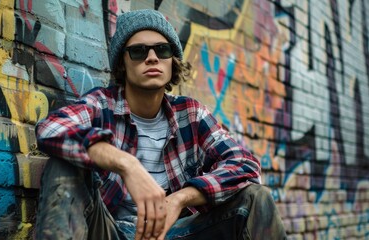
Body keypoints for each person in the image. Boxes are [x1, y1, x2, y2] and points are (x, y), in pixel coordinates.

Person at [35, 9, 286, 240]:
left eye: (162, 50)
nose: (152, 58)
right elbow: (51, 128)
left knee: (256, 198)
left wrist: (180, 198)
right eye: (138, 51)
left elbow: (245, 165)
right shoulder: (101, 106)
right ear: (123, 63)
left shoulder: (191, 114)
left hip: (176, 232)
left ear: (172, 60)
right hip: (112, 231)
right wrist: (127, 164)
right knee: (63, 165)